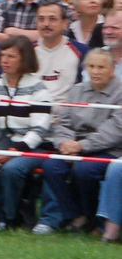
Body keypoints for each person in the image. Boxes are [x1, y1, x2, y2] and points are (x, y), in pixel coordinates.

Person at [0, 37, 53, 230]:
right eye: (3, 55)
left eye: (11, 56)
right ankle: (6, 211)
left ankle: (11, 217)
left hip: (35, 146)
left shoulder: (39, 89)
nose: (5, 60)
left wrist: (13, 152)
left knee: (11, 169)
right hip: (3, 142)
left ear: (24, 60)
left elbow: (39, 130)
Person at [36, 49, 122, 234]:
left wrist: (82, 146)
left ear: (112, 69)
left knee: (85, 170)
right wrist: (64, 143)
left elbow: (114, 130)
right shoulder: (77, 90)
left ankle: (94, 219)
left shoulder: (120, 93)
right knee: (52, 166)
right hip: (73, 145)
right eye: (91, 66)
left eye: (101, 67)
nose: (96, 71)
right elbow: (62, 122)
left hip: (110, 148)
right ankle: (75, 216)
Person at [30, 2, 82, 102]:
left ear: (64, 23)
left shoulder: (80, 51)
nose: (46, 24)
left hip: (67, 113)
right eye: (41, 19)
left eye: (52, 19)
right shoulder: (28, 52)